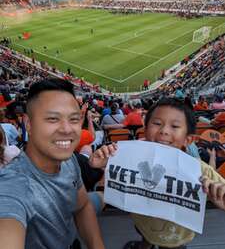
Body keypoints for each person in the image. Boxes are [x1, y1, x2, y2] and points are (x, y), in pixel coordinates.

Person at [89, 97, 225, 249]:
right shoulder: (129, 159)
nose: (164, 131)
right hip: (143, 225)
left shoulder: (199, 170)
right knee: (144, 236)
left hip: (176, 237)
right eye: (157, 123)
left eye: (174, 126)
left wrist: (220, 195)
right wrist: (101, 161)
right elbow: (105, 170)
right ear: (145, 129)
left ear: (188, 139)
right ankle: (146, 244)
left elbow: (222, 191)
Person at [0, 78, 105, 249]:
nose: (66, 129)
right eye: (52, 119)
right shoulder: (12, 186)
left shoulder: (69, 159)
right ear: (29, 124)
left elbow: (82, 205)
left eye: (73, 119)